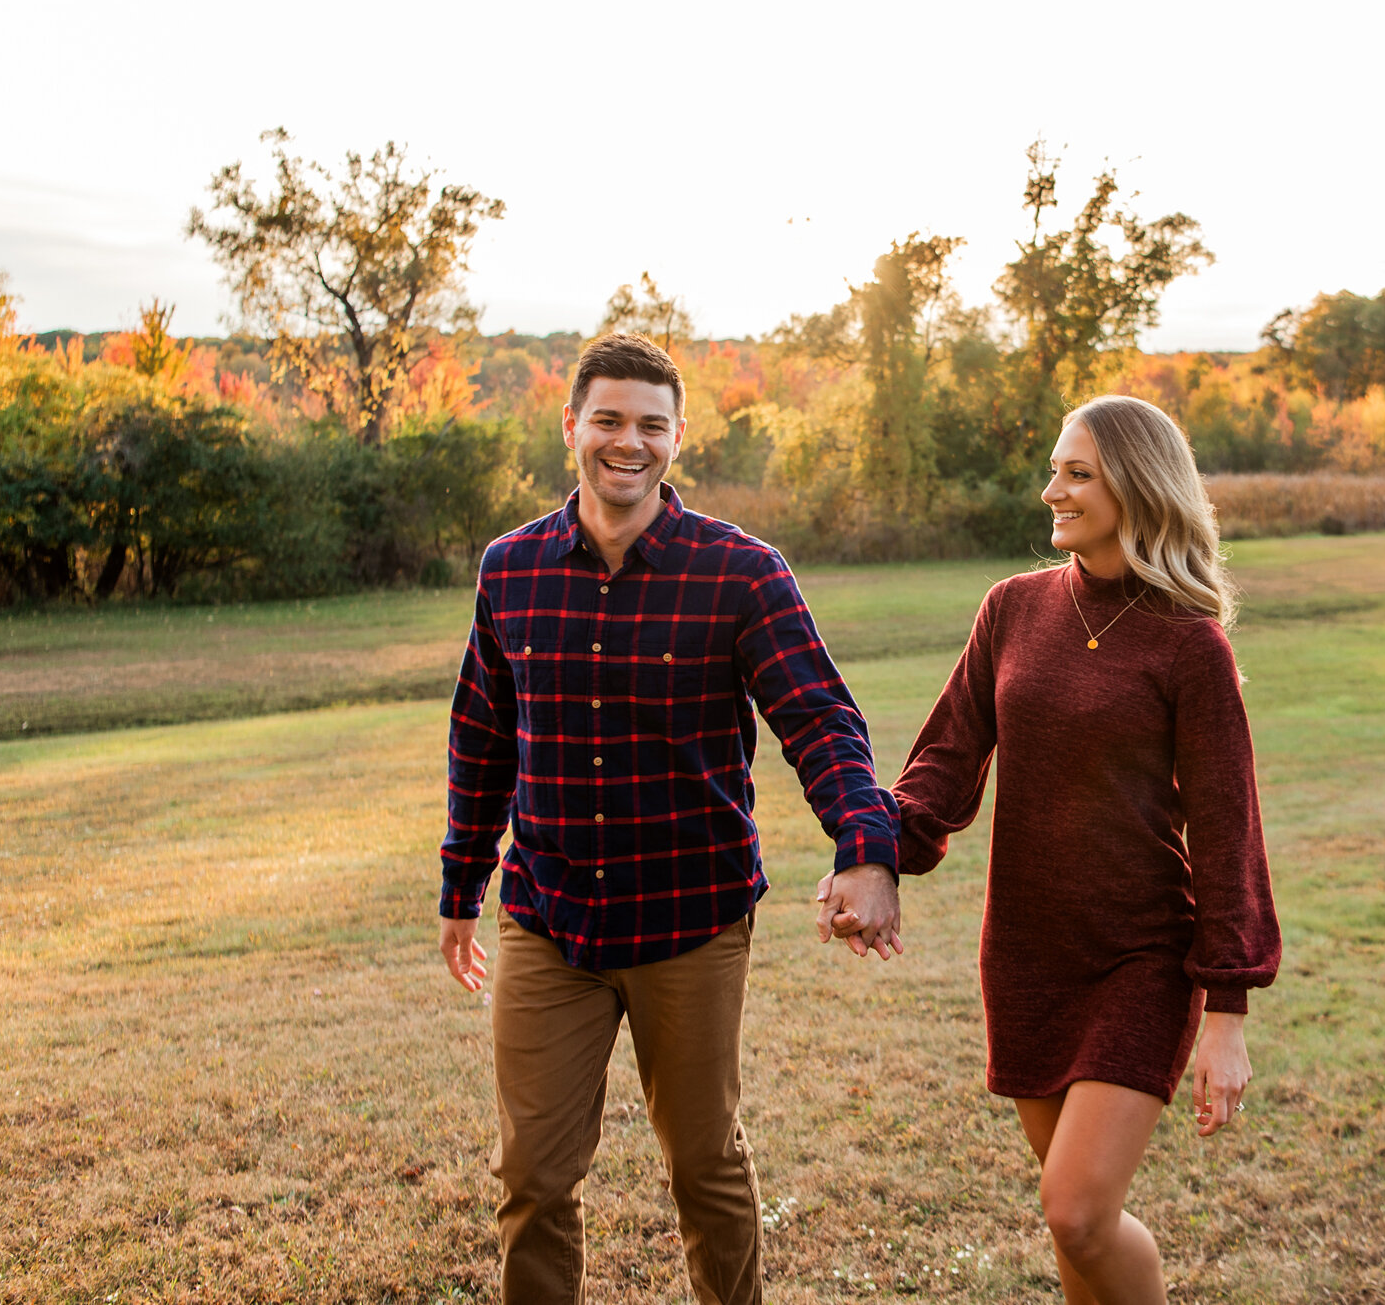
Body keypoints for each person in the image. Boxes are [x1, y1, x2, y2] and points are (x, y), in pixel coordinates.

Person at [437, 332, 904, 1305]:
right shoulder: (512, 571)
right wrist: (459, 887)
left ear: (676, 438)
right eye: (607, 419)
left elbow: (819, 722)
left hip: (689, 922)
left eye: (650, 425)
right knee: (530, 1179)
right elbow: (482, 736)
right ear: (570, 426)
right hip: (546, 918)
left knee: (703, 1168)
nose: (627, 442)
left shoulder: (739, 572)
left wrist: (865, 853)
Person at [822, 393, 1281, 1305]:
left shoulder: (1189, 645)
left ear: (1137, 487)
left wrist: (1226, 1010)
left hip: (1140, 955)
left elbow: (1231, 829)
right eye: (1055, 469)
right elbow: (944, 765)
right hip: (1028, 953)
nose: (1051, 492)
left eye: (1077, 474)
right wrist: (870, 849)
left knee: (1077, 1210)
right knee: (1073, 1218)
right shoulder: (1013, 608)